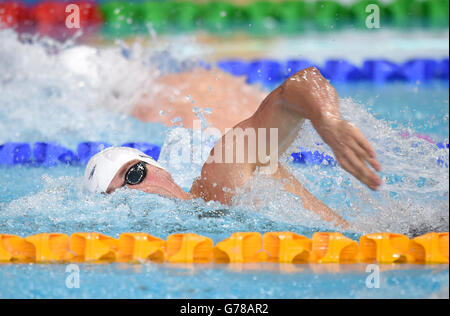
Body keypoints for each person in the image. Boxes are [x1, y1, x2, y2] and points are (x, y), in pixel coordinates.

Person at [84, 67, 382, 228]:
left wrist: (326, 119)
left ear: (161, 170)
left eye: (134, 174)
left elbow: (299, 85)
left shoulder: (220, 177)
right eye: (117, 195)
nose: (134, 193)